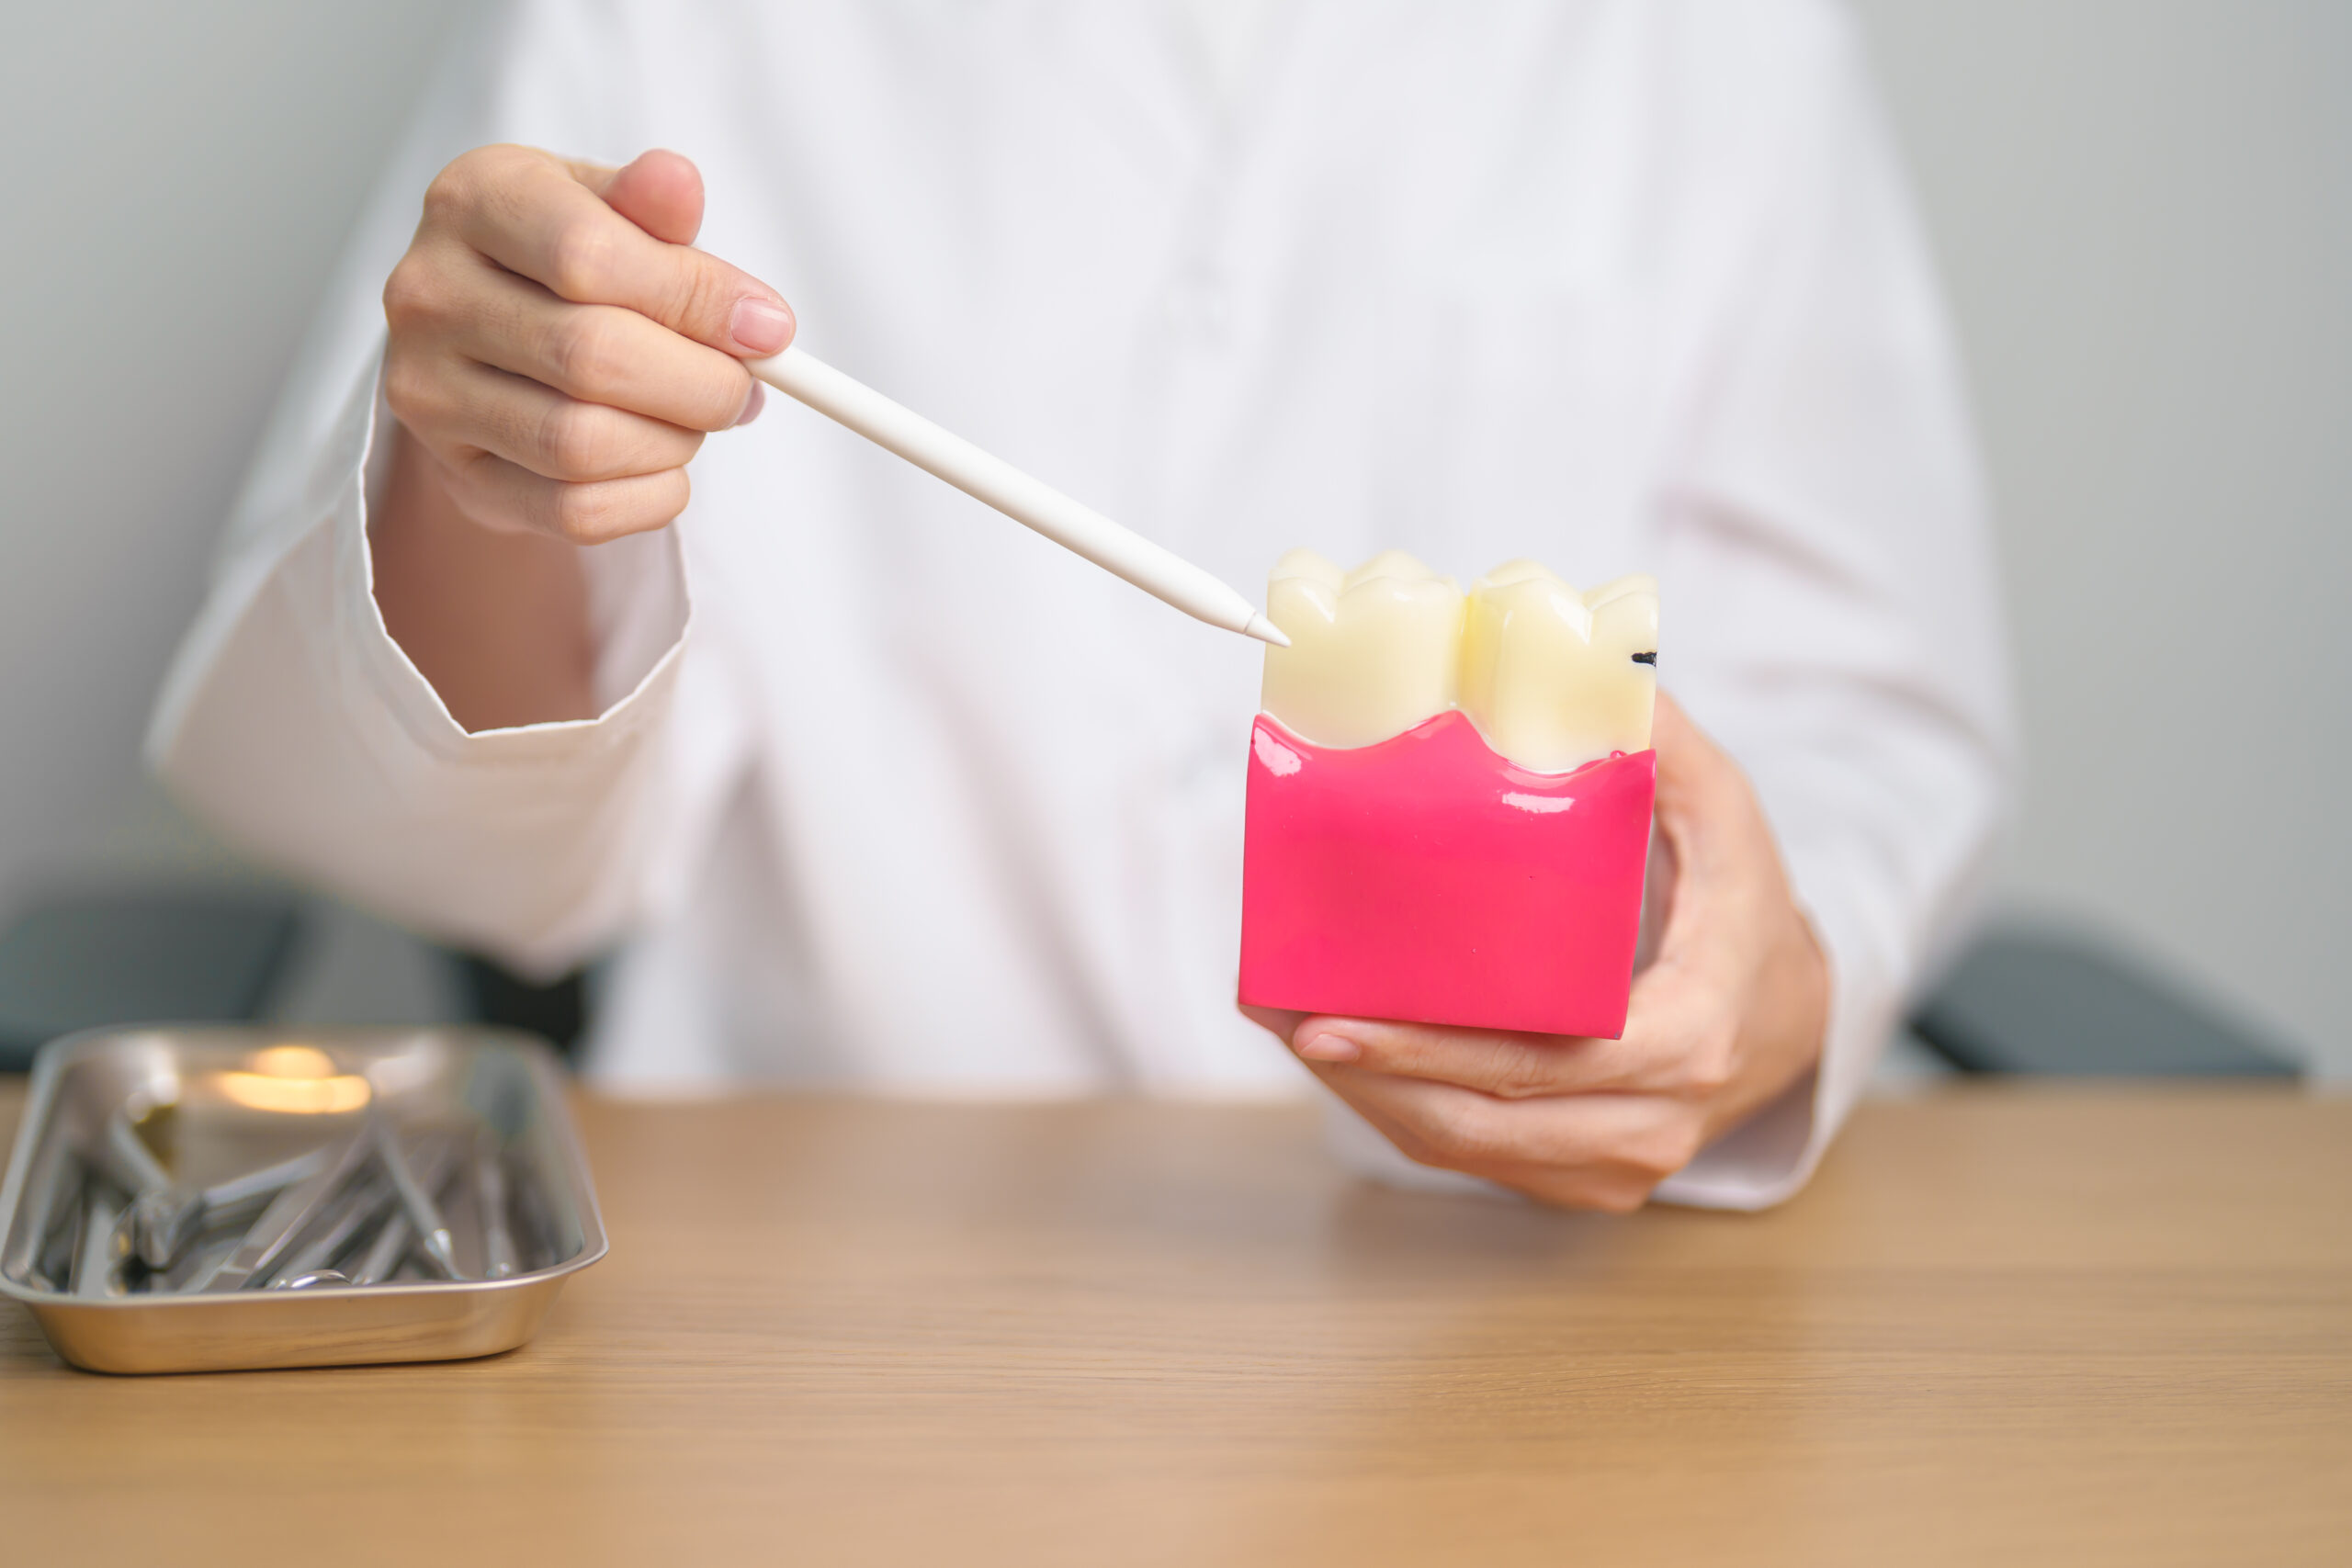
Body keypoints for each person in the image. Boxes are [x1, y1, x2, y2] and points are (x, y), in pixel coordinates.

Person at [148, 0, 2011, 1211]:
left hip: (1514, 1293)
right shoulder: (662, 29)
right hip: (835, 1284)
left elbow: (1867, 715)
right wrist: (497, 472)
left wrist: (1766, 986)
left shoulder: (1719, 44)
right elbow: (455, 820)